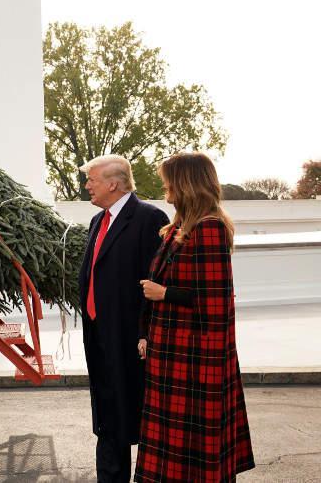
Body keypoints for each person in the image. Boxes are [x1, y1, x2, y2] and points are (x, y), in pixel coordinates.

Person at [135, 152, 254, 481]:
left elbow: (216, 303)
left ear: (186, 183)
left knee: (193, 451)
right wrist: (147, 335)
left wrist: (165, 293)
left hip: (195, 361)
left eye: (169, 180)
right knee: (173, 448)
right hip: (172, 353)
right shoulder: (178, 229)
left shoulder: (210, 228)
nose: (165, 187)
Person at [78, 154, 169, 482]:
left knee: (137, 418)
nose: (87, 185)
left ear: (113, 183)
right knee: (108, 417)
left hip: (132, 340)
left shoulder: (149, 219)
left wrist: (146, 333)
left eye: (93, 179)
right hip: (99, 335)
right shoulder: (97, 221)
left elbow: (157, 280)